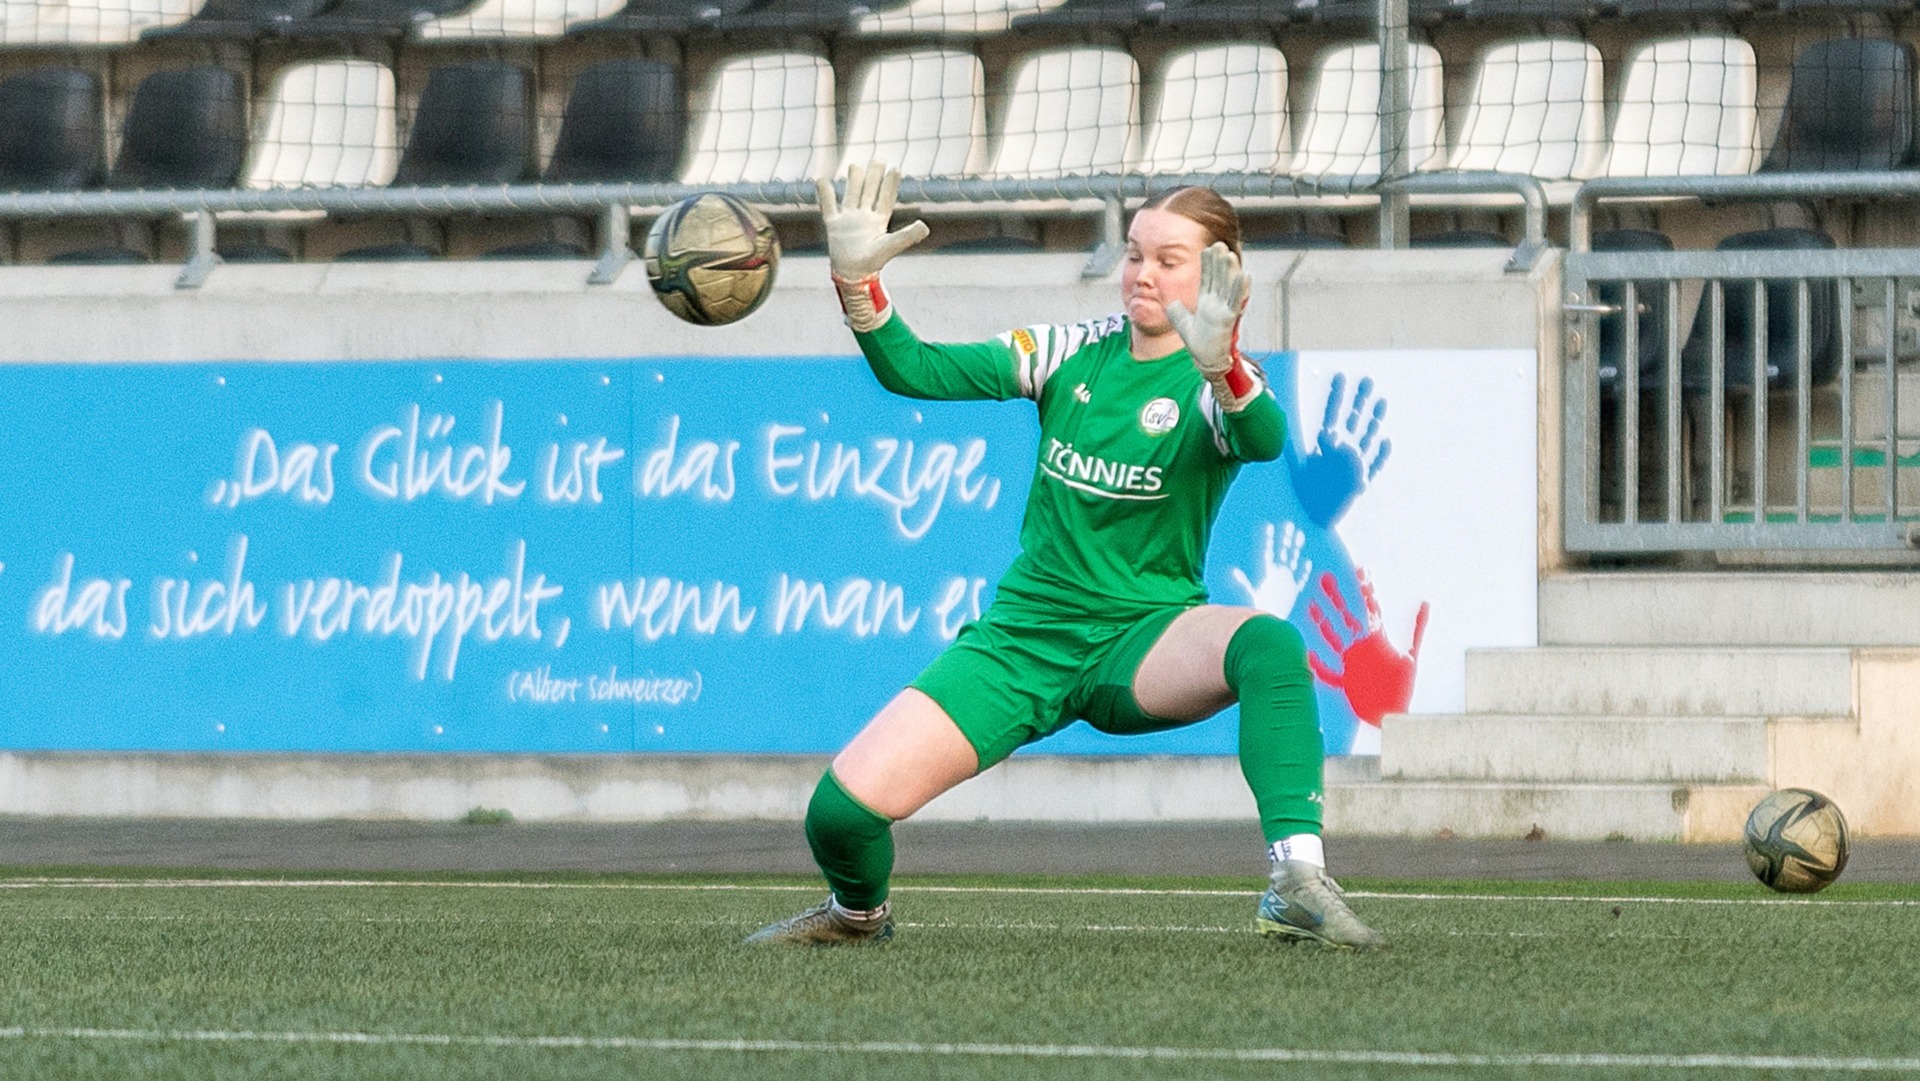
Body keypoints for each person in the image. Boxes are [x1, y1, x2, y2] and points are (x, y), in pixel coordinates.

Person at [744, 161, 1384, 952]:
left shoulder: (1216, 384)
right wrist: (856, 286)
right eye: (1135, 253)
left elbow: (1263, 439)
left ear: (1222, 274)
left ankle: (1296, 881)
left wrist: (1225, 366)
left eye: (1167, 259)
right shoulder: (1067, 351)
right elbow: (919, 370)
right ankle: (855, 915)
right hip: (1022, 642)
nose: (1141, 273)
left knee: (1270, 643)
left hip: (1144, 638)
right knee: (839, 815)